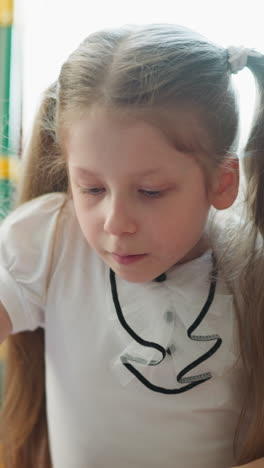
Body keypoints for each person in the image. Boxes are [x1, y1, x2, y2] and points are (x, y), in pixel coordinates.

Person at [0, 23, 263, 468]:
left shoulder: (252, 270)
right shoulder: (50, 240)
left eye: (151, 192)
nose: (117, 223)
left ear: (222, 182)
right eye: (92, 189)